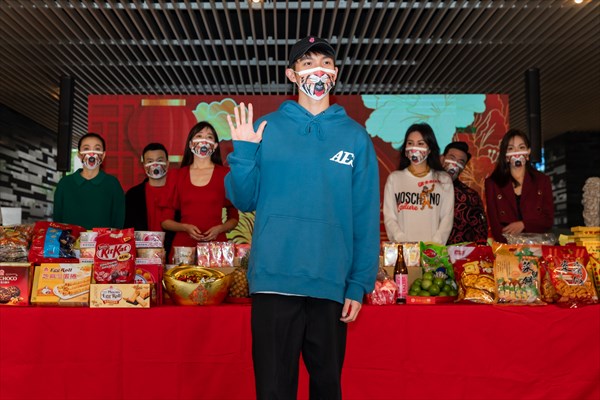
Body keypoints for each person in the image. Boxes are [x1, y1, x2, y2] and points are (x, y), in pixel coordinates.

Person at [224, 36, 380, 400]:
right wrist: (243, 152)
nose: (317, 70)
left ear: (336, 74)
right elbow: (243, 199)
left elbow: (364, 215)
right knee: (274, 390)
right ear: (292, 75)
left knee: (327, 388)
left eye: (325, 62)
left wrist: (358, 283)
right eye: (307, 63)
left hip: (330, 282)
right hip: (274, 279)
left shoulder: (356, 138)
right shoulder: (265, 129)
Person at [161, 122, 238, 255]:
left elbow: (234, 218)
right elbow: (165, 222)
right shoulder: (177, 175)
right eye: (199, 136)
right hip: (184, 248)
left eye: (209, 137)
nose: (204, 141)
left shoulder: (226, 174)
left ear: (215, 146)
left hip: (216, 247)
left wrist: (220, 229)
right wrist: (184, 227)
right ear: (191, 144)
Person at [383, 123, 454, 244]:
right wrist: (404, 243)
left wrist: (434, 245)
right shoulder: (394, 179)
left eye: (420, 143)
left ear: (430, 149)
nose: (414, 148)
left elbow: (447, 218)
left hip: (432, 252)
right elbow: (390, 217)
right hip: (404, 251)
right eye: (410, 143)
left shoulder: (444, 180)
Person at [484, 129, 554, 243]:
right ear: (505, 155)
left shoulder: (542, 181)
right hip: (506, 247)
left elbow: (548, 220)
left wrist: (524, 224)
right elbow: (495, 224)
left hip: (536, 245)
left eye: (521, 147)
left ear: (528, 152)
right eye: (511, 148)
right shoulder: (492, 183)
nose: (516, 152)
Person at [53, 132, 125, 230]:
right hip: (70, 239)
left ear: (103, 155)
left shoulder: (112, 184)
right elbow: (57, 221)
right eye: (86, 148)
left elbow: (118, 222)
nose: (92, 153)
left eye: (97, 149)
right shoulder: (65, 183)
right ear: (79, 154)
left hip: (103, 240)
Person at [124, 142, 177, 253]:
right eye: (150, 161)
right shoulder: (133, 195)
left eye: (159, 160)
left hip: (173, 254)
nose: (155, 165)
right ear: (144, 165)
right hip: (141, 256)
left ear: (167, 163)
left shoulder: (178, 192)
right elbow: (127, 230)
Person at [441, 141, 488, 244]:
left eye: (461, 162)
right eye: (452, 158)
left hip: (457, 252)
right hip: (426, 250)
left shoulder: (470, 197)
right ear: (442, 158)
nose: (454, 164)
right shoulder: (426, 188)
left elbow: (481, 234)